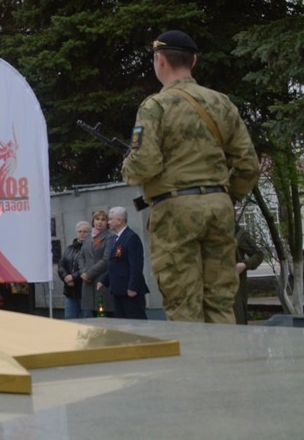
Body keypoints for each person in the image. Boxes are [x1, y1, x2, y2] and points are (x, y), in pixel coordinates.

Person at [122, 30, 260, 324]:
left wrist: (127, 166)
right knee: (221, 302)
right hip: (219, 207)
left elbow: (143, 165)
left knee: (183, 304)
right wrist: (227, 197)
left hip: (176, 212)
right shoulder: (222, 103)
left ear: (160, 60)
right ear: (193, 61)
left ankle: (194, 357)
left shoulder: (155, 106)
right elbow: (249, 165)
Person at [103, 207, 149, 320]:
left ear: (119, 220)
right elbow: (116, 262)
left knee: (136, 322)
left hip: (129, 290)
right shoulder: (116, 238)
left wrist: (133, 287)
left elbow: (136, 265)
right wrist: (104, 281)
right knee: (122, 323)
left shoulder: (131, 237)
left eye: (110, 219)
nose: (108, 222)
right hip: (118, 289)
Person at [77, 210, 113, 318]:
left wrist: (89, 274)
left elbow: (106, 259)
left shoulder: (110, 236)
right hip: (88, 282)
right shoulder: (88, 237)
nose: (100, 222)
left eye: (103, 219)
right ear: (93, 221)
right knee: (93, 314)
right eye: (97, 219)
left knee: (104, 314)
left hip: (101, 280)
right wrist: (83, 273)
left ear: (107, 222)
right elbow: (81, 256)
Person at [234, 214, 264, 325]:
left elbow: (258, 254)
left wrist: (244, 265)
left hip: (235, 290)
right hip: (211, 289)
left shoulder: (238, 233)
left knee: (237, 323)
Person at [57, 222, 88, 320]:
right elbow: (61, 265)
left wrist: (73, 277)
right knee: (70, 321)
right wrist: (65, 277)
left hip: (85, 293)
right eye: (80, 231)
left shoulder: (91, 249)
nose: (82, 234)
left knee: (88, 321)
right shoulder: (69, 249)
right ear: (76, 232)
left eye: (85, 231)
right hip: (70, 293)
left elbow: (88, 267)